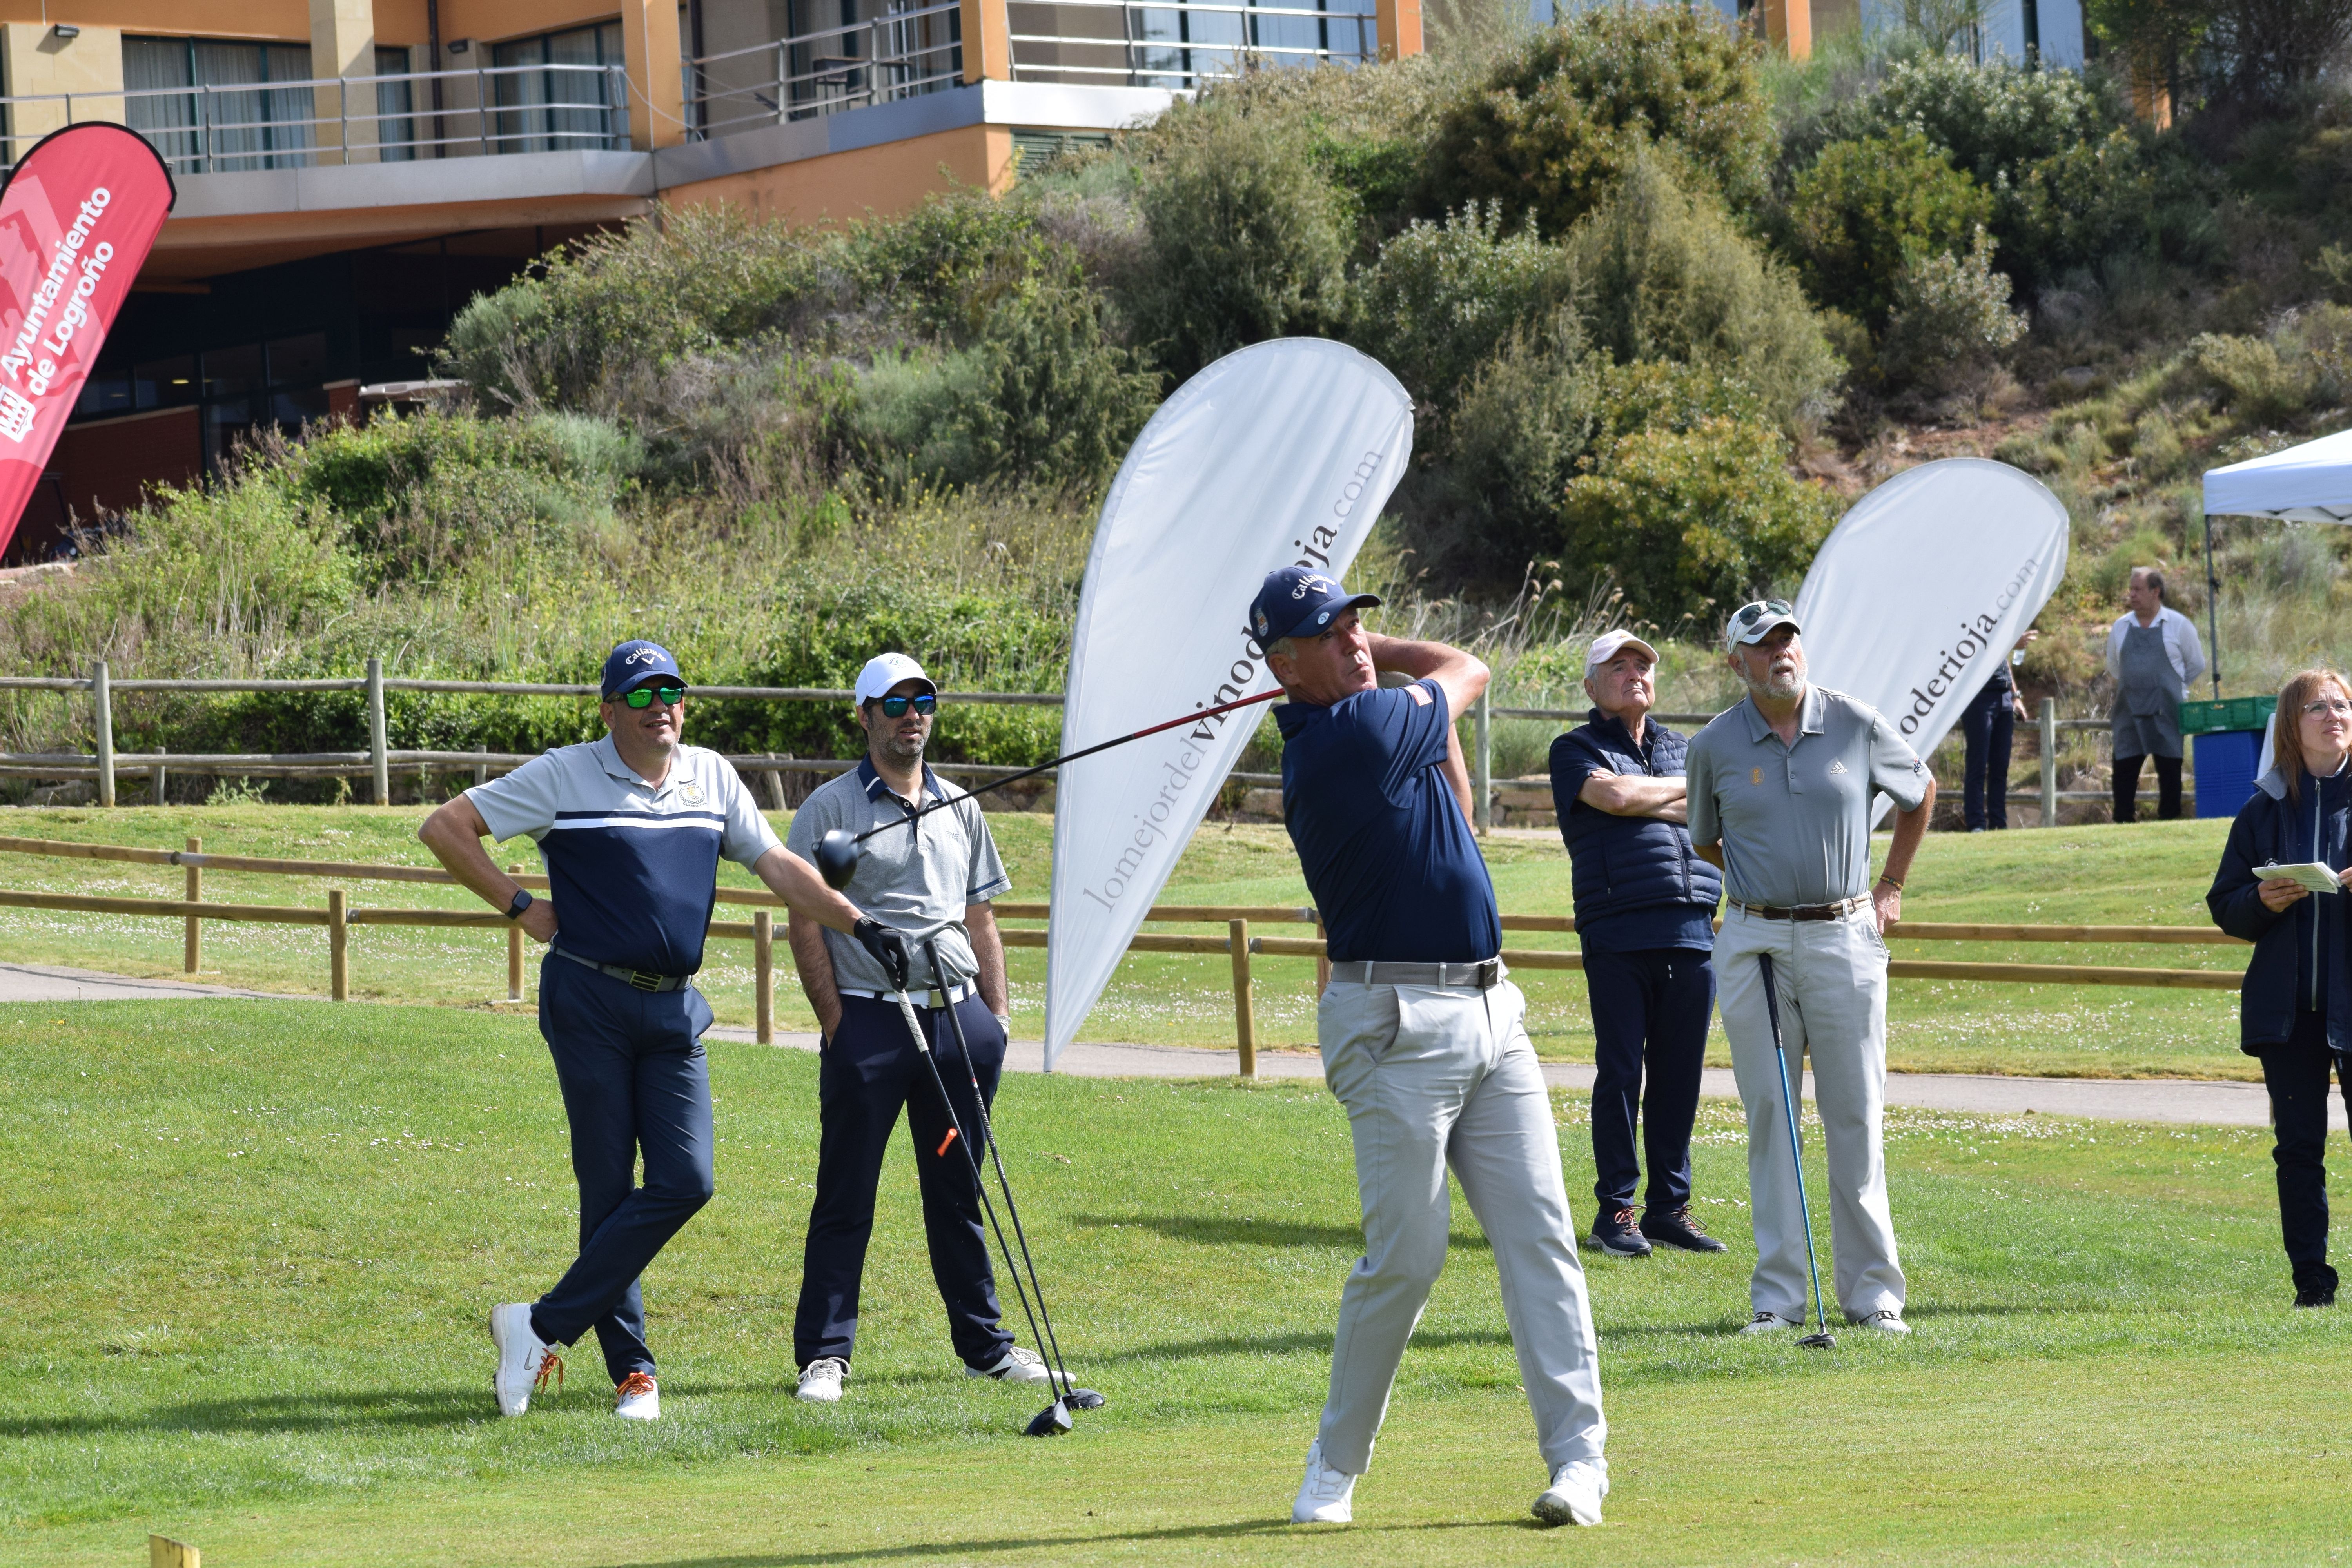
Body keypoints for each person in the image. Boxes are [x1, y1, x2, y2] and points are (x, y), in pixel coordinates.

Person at [419, 639, 910, 1422]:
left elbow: (777, 863)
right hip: (589, 998)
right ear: (609, 709)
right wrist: (522, 907)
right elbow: (447, 827)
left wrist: (858, 921)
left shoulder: (710, 776)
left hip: (674, 1005)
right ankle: (634, 1374)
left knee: (688, 1178)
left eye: (672, 691)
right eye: (641, 694)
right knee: (609, 1185)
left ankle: (539, 1325)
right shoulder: (562, 774)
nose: (661, 706)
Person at [1250, 567, 1609, 1530]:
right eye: (1332, 635)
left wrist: (1365, 658)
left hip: (1495, 1012)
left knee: (1541, 1239)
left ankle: (1580, 1463)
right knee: (1407, 1257)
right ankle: (1333, 1468)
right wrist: (1404, 655)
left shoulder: (1373, 723)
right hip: (1396, 1019)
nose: (1358, 641)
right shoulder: (1351, 739)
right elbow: (1467, 665)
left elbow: (1452, 773)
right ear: (1285, 664)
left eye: (1360, 625)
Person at [782, 652, 1064, 1404]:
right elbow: (804, 922)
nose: (913, 714)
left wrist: (996, 1019)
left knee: (959, 1189)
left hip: (958, 1023)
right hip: (870, 1025)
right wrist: (837, 1021)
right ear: (865, 715)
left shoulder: (961, 804)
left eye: (924, 701)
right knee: (846, 1195)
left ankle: (987, 1349)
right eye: (896, 702)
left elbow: (981, 916)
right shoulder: (830, 810)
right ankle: (825, 1357)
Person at [1686, 599, 1935, 1337]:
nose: (1780, 653)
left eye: (1788, 640)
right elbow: (1706, 840)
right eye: (1763, 646)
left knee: (1855, 1114)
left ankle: (1874, 1296)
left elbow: (1919, 794)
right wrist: (1759, 887)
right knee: (1772, 1119)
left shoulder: (1854, 721)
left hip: (1845, 935)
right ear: (1739, 662)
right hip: (1756, 942)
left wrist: (1892, 884)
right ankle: (1779, 1300)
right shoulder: (1714, 745)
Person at [1548, 630, 1728, 1259]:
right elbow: (1616, 795)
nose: (1634, 675)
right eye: (1617, 667)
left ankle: (1668, 1211)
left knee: (1680, 1076)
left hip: (1694, 931)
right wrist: (1671, 801)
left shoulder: (1688, 749)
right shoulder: (1573, 749)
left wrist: (1645, 804)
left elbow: (1718, 814)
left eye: (1643, 666)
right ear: (1591, 686)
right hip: (1618, 931)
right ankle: (1615, 1212)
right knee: (1622, 1073)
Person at [2206, 668, 2352, 1310]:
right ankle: (2311, 1287)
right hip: (2288, 1016)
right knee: (2298, 1151)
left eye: (2342, 704)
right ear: (2293, 727)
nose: (2333, 715)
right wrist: (2260, 899)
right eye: (2317, 707)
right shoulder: (2262, 811)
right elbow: (2226, 904)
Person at [2106, 567, 2207, 823]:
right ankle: (2122, 825)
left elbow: (2196, 664)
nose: (2132, 595)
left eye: (2138, 589)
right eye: (2131, 589)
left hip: (2167, 713)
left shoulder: (2179, 626)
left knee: (2170, 775)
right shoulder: (2120, 627)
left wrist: (2174, 690)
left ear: (2156, 592)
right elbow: (2114, 668)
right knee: (2124, 775)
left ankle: (2170, 826)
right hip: (2129, 713)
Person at [1958, 632, 2038, 832]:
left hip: (2003, 697)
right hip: (1978, 697)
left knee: (2000, 767)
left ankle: (1999, 824)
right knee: (1978, 764)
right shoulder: (1976, 620)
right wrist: (2011, 642)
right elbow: (1981, 649)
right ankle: (1976, 824)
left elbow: (2004, 662)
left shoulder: (1998, 619)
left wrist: (2015, 696)